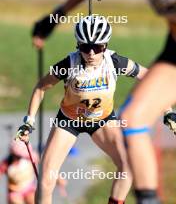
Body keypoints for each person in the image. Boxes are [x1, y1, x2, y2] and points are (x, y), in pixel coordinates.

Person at [31, 0, 176, 203]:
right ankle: (147, 197)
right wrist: (58, 14)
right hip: (173, 51)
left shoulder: (113, 61)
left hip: (104, 117)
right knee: (132, 120)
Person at [16, 15, 149, 204]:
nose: (92, 53)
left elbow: (150, 78)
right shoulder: (69, 65)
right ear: (78, 45)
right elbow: (40, 87)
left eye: (98, 47)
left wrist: (168, 110)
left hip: (103, 121)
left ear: (106, 45)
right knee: (46, 179)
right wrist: (28, 121)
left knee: (128, 165)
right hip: (68, 121)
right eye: (86, 47)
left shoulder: (115, 63)